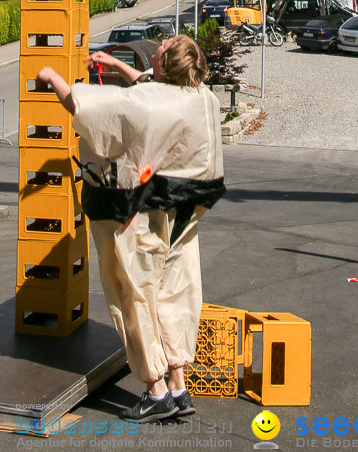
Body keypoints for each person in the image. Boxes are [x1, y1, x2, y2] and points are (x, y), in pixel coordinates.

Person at [36, 36, 224, 424]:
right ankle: (177, 381)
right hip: (184, 208)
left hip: (132, 209)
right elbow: (154, 89)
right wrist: (117, 64)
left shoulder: (144, 102)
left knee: (133, 289)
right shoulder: (202, 96)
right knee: (175, 288)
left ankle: (155, 390)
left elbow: (92, 109)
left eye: (163, 46)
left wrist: (52, 77)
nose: (159, 43)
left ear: (163, 65)